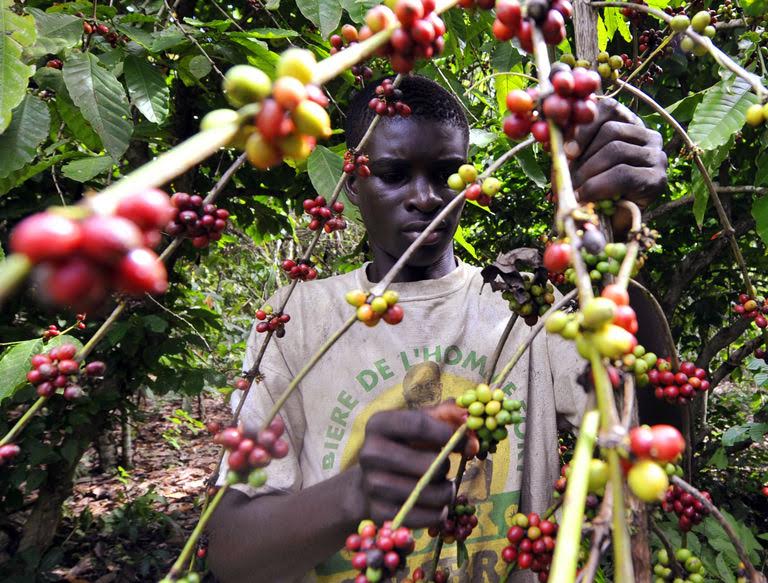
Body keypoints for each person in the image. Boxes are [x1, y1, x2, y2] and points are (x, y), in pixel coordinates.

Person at [207, 75, 668, 582]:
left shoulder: (527, 308)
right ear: (353, 183)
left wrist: (621, 235)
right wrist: (355, 493)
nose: (425, 199)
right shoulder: (295, 320)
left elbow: (641, 429)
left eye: (447, 174)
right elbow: (233, 554)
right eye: (393, 174)